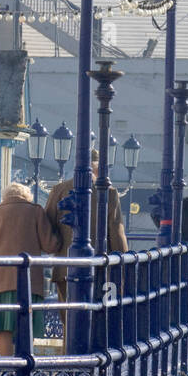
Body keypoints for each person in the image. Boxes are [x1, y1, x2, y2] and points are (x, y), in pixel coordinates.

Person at [45, 148, 128, 351]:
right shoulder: (108, 193)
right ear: (98, 169)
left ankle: (70, 367)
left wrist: (57, 247)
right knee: (96, 318)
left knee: (70, 321)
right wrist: (122, 264)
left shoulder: (59, 190)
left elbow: (48, 227)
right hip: (98, 268)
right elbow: (116, 233)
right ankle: (92, 365)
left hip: (65, 267)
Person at [0, 181, 61, 356]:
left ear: (6, 197)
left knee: (4, 328)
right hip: (30, 281)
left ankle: (8, 368)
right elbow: (50, 245)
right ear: (26, 196)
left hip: (0, 282)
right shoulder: (36, 211)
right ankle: (25, 365)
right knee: (26, 325)